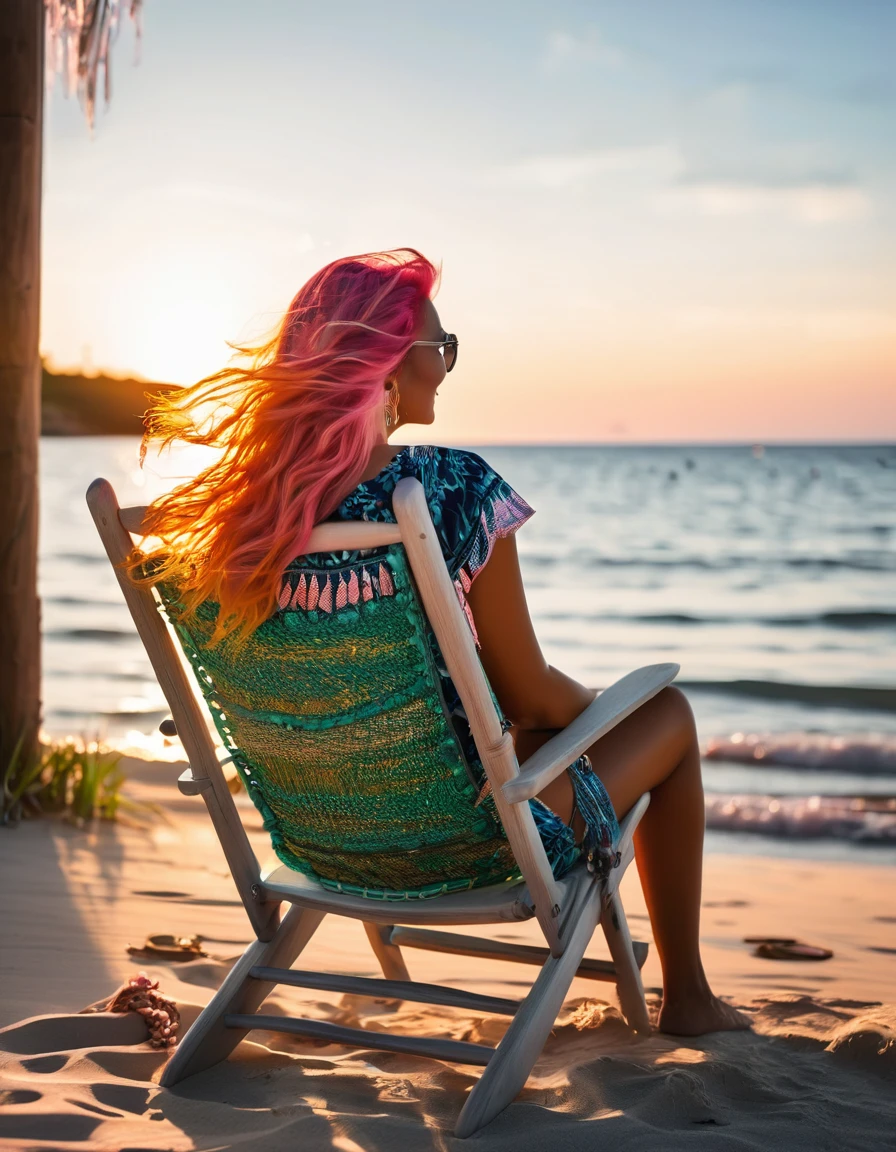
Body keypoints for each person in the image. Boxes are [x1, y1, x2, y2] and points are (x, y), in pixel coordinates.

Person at [138, 248, 751, 1037]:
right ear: (387, 365)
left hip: (325, 842)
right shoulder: (450, 488)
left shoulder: (239, 517)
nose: (447, 367)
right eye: (440, 346)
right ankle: (690, 1000)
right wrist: (599, 711)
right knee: (667, 713)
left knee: (521, 731)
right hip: (466, 842)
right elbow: (529, 692)